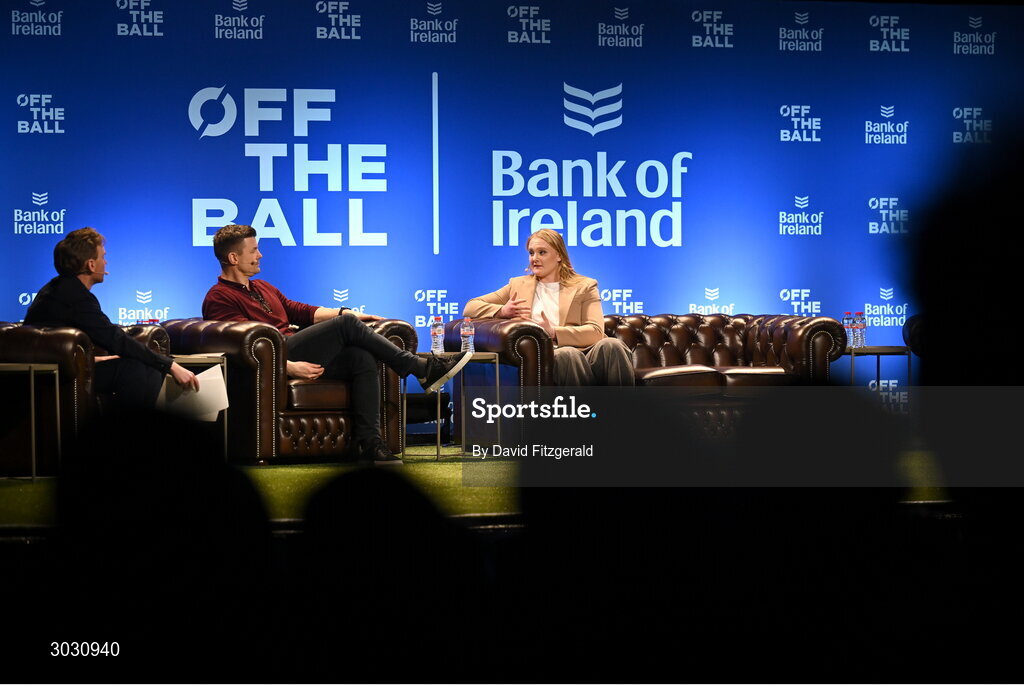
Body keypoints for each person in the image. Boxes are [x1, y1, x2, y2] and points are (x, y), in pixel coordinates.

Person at [202, 224, 470, 464]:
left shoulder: (262, 287)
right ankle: (419, 367)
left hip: (294, 347)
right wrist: (287, 367)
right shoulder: (219, 298)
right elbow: (239, 343)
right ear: (233, 258)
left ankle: (370, 442)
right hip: (282, 356)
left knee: (359, 357)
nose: (260, 255)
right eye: (254, 250)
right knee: (347, 325)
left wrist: (347, 312)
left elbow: (301, 311)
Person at [24, 227, 199, 409]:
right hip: (52, 375)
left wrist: (91, 359)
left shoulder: (59, 288)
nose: (106, 262)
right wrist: (170, 365)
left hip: (60, 368)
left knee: (148, 368)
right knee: (133, 370)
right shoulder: (75, 295)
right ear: (91, 265)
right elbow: (114, 338)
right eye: (103, 257)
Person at [464, 228, 633, 386]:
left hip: (586, 350)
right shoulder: (517, 285)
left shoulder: (585, 285)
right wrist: (502, 311)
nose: (534, 258)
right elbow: (470, 307)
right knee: (567, 354)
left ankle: (620, 413)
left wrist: (553, 332)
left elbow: (595, 332)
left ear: (558, 255)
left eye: (542, 252)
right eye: (531, 253)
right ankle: (584, 415)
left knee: (613, 345)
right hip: (549, 354)